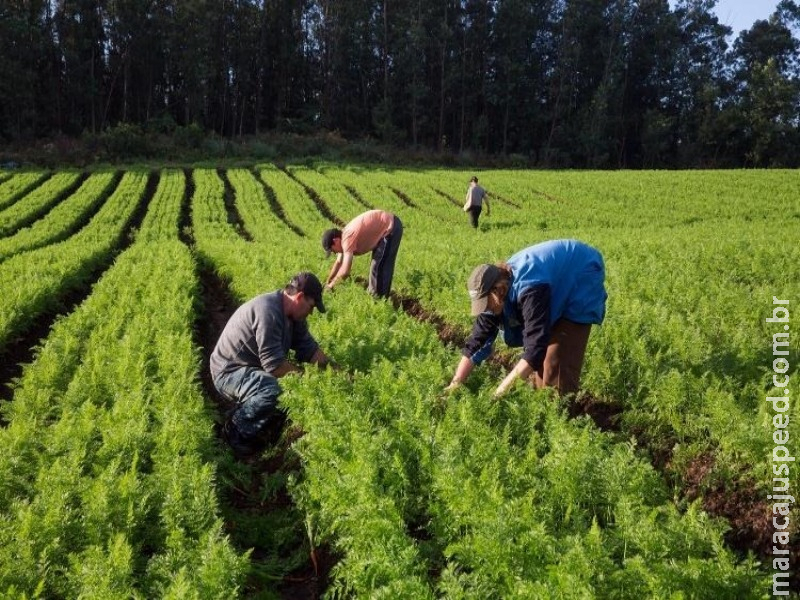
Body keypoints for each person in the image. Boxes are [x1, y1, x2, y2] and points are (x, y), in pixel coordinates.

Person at [445, 239, 607, 398]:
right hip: (553, 280)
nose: (486, 309)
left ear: (498, 291)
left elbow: (535, 349)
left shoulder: (530, 289)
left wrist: (499, 393)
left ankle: (559, 409)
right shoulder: (496, 294)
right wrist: (455, 384)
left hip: (581, 274)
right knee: (541, 368)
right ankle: (543, 405)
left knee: (555, 364)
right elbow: (476, 342)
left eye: (486, 304)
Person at [210, 272, 333, 456]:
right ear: (299, 297)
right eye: (311, 306)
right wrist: (308, 378)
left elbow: (311, 350)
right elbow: (275, 366)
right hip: (228, 372)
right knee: (272, 388)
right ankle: (235, 429)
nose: (311, 312)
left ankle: (257, 422)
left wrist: (335, 371)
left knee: (280, 387)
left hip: (250, 368)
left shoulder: (294, 317)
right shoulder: (268, 311)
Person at [321, 209, 403, 298]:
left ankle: (378, 299)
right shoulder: (344, 236)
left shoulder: (347, 239)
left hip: (391, 228)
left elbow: (345, 270)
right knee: (377, 266)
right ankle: (376, 297)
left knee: (379, 267)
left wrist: (331, 286)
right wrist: (328, 282)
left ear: (335, 241)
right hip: (386, 226)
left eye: (333, 250)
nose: (335, 252)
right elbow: (338, 262)